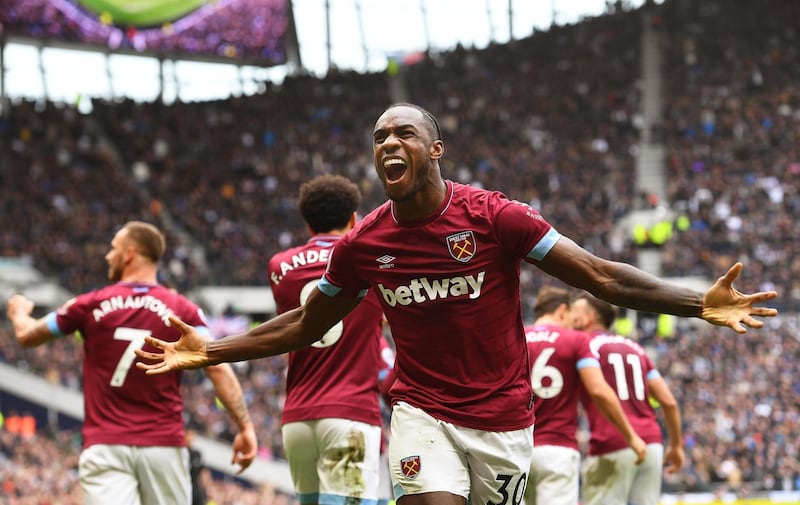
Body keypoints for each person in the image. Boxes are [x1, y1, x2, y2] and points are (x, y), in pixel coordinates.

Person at [135, 103, 777, 505]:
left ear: (433, 149)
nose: (388, 143)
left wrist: (699, 303)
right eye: (380, 136)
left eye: (404, 134)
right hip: (421, 412)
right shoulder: (363, 245)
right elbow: (306, 322)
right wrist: (209, 348)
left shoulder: (496, 218)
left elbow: (601, 277)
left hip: (503, 419)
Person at [5, 220, 257, 505]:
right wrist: (245, 428)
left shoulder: (89, 304)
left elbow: (27, 335)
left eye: (113, 248)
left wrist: (18, 313)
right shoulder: (182, 310)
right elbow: (217, 365)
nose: (107, 255)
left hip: (106, 446)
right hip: (164, 448)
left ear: (129, 253)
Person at [268, 174, 389, 505]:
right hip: (349, 413)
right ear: (353, 218)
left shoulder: (280, 267)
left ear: (308, 225)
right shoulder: (368, 259)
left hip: (296, 416)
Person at [523, 286, 646, 505]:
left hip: (518, 448)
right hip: (557, 450)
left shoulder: (517, 337)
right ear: (562, 311)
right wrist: (631, 436)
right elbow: (599, 390)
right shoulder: (575, 340)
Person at [571, 292, 684, 505]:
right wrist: (676, 446)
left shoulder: (583, 345)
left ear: (588, 318)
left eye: (574, 313)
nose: (569, 317)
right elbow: (668, 401)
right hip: (652, 445)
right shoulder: (636, 348)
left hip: (613, 443)